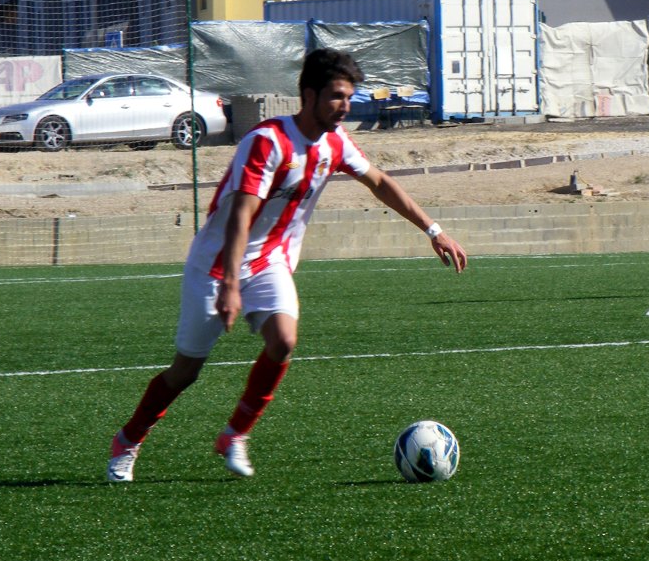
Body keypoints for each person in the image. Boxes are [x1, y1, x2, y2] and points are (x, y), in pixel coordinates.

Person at [106, 48, 468, 483]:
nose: (345, 106)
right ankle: (128, 440)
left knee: (283, 340)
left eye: (348, 96)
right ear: (308, 94)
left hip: (270, 262)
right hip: (216, 267)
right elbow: (241, 215)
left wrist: (434, 230)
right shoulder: (268, 141)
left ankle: (235, 434)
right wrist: (230, 286)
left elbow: (379, 182)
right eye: (336, 96)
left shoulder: (335, 142)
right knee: (186, 372)